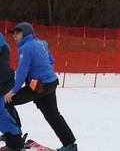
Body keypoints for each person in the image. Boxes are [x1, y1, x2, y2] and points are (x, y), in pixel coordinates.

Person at [5, 23, 76, 151]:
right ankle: (70, 145)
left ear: (26, 33)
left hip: (39, 84)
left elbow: (22, 72)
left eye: (17, 33)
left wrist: (12, 91)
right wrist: (45, 76)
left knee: (6, 102)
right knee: (53, 115)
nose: (14, 36)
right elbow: (51, 61)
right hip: (49, 82)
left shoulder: (26, 47)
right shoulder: (41, 43)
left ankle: (15, 137)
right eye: (13, 33)